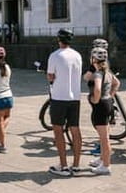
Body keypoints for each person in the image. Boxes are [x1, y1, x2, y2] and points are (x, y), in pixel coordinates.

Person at [46, 28, 83, 176]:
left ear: (59, 39)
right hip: (75, 97)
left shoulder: (55, 55)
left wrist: (53, 79)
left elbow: (50, 76)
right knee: (75, 129)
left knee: (58, 130)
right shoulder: (77, 55)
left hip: (59, 97)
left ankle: (63, 165)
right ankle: (76, 165)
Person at [86, 46, 119, 175]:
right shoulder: (108, 72)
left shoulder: (98, 74)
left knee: (104, 138)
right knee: (103, 136)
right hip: (107, 103)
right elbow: (117, 83)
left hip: (101, 106)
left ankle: (106, 165)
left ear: (94, 59)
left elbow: (98, 88)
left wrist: (96, 99)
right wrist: (110, 96)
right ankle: (102, 159)